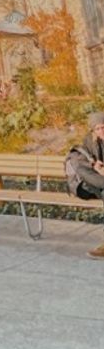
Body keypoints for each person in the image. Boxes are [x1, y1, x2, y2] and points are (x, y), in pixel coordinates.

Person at [65, 111, 104, 259]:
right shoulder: (89, 141)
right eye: (98, 128)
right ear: (93, 130)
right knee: (83, 171)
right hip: (86, 186)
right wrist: (94, 165)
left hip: (99, 186)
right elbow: (82, 165)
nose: (102, 131)